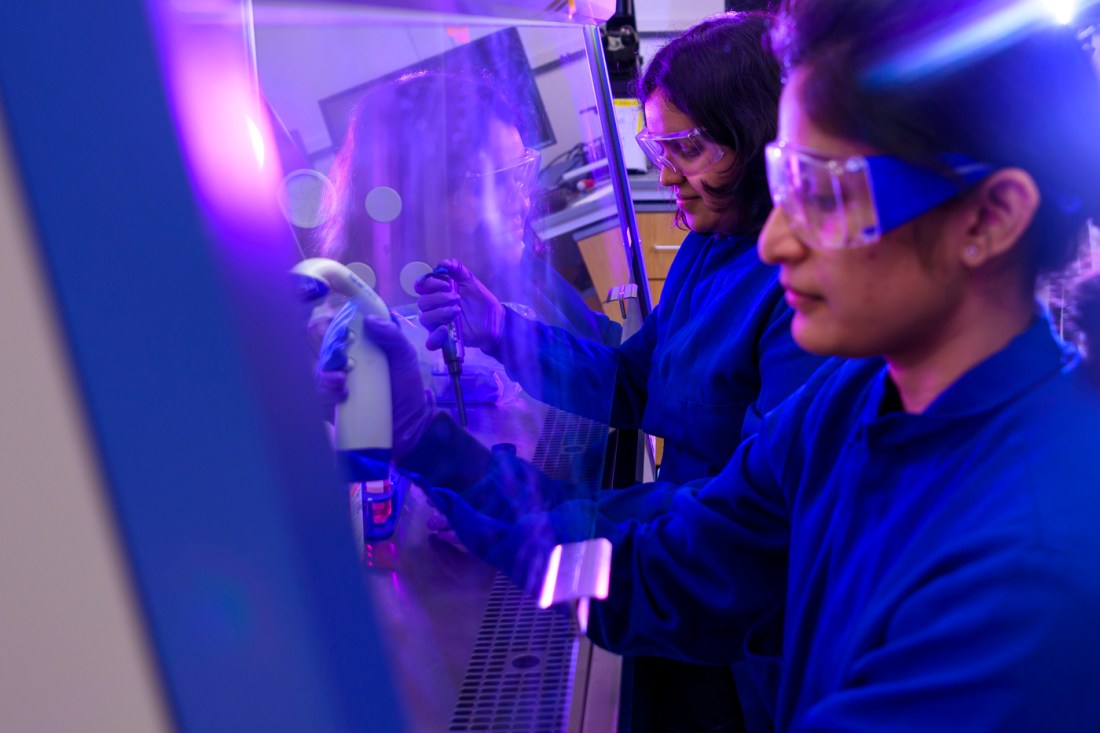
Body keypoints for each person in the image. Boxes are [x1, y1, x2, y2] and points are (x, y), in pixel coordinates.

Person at [346, 0, 1100, 729]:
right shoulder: (848, 402)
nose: (773, 243)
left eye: (824, 191)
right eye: (783, 178)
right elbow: (655, 572)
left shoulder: (1026, 577)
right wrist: (435, 448)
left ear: (991, 217)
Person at [410, 13, 825, 731]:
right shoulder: (709, 244)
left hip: (745, 623)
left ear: (762, 137)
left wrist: (516, 510)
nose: (668, 177)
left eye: (690, 149)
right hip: (681, 557)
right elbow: (637, 382)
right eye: (657, 148)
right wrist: (502, 329)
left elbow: (741, 535)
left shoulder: (802, 294)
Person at [310, 70, 620, 412]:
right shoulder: (394, 341)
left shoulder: (512, 268)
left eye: (519, 174)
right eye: (488, 185)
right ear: (417, 202)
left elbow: (604, 344)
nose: (522, 203)